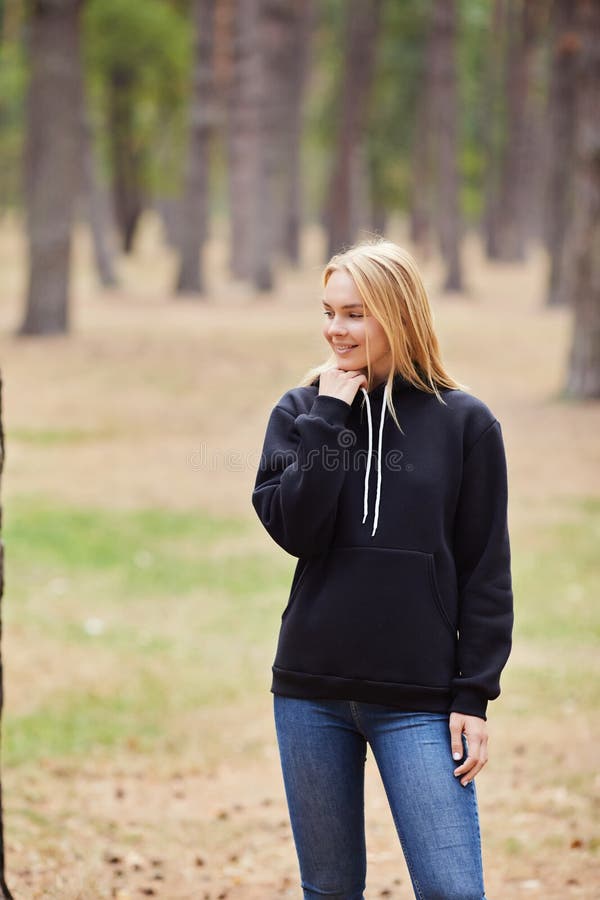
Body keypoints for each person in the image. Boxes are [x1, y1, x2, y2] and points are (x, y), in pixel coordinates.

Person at [251, 238, 514, 900]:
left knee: (453, 890)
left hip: (420, 700)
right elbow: (296, 529)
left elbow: (486, 569)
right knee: (330, 890)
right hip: (311, 692)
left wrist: (473, 694)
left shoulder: (466, 424)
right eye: (329, 312)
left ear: (399, 314)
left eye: (355, 314)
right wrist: (331, 418)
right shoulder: (301, 411)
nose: (336, 329)